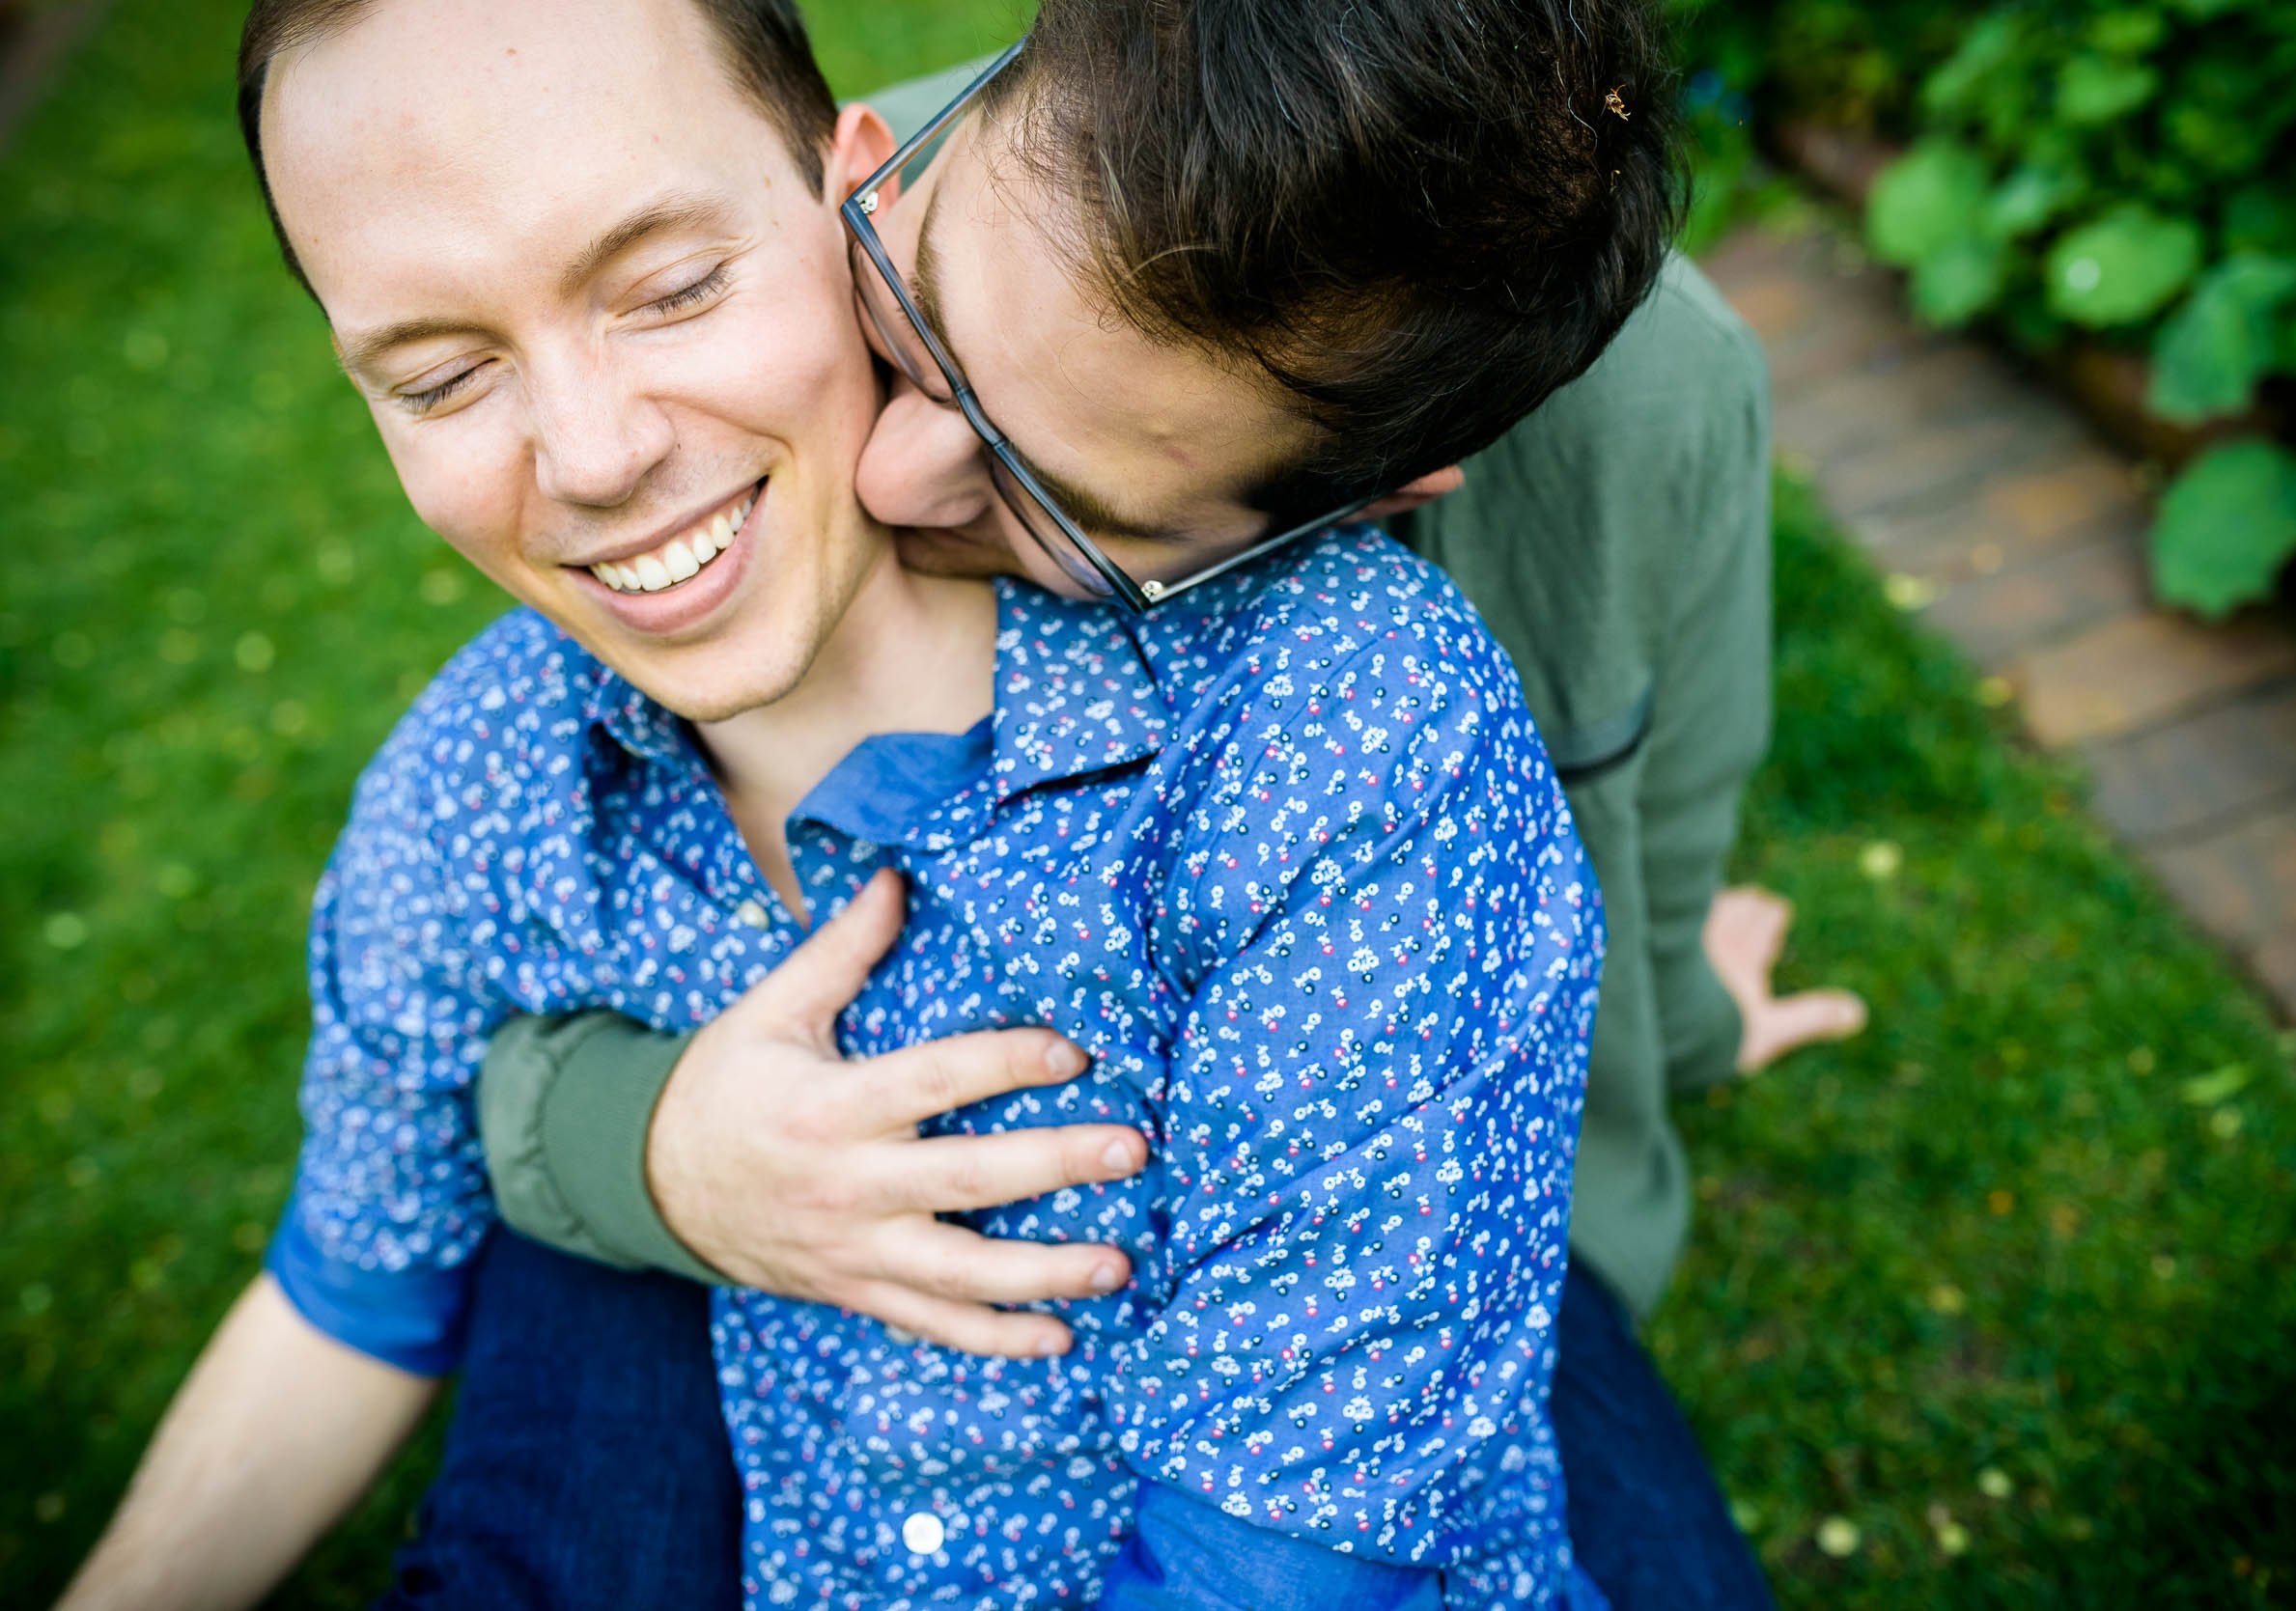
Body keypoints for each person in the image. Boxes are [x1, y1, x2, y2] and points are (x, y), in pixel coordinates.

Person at [51, 0, 1776, 1605]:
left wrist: (1680, 1007)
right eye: (438, 378)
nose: (585, 457)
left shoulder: (1336, 719)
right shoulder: (482, 774)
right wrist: (636, 1149)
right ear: (872, 184)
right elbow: (350, 1272)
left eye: (666, 289)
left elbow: (1292, 1539)